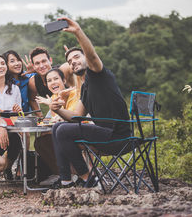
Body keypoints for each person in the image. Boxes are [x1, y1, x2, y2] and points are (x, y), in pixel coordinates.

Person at [49, 17, 131, 189]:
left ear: (85, 58)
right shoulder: (86, 86)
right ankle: (65, 180)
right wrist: (57, 110)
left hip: (118, 136)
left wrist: (78, 32)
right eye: (70, 62)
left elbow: (92, 55)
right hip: (105, 134)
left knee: (63, 130)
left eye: (77, 57)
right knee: (57, 127)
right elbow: (76, 116)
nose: (73, 62)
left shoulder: (98, 74)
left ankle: (88, 178)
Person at [28, 47, 53, 117]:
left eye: (44, 61)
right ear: (33, 66)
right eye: (37, 63)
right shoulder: (33, 81)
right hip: (54, 109)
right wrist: (40, 116)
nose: (41, 66)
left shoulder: (61, 72)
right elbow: (32, 100)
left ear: (50, 60)